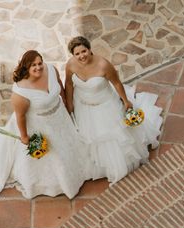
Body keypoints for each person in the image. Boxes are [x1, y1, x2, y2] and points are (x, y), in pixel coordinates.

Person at [0, 50, 89, 218]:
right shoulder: (21, 92)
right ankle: (61, 183)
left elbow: (59, 85)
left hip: (59, 118)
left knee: (68, 143)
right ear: (26, 67)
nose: (38, 67)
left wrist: (66, 103)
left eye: (39, 63)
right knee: (55, 154)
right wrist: (24, 137)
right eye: (33, 65)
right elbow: (20, 117)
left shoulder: (50, 70)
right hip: (40, 126)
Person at [65, 36, 162, 184]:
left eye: (83, 51)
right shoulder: (71, 65)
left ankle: (117, 164)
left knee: (110, 136)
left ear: (89, 49)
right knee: (90, 136)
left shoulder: (103, 65)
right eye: (77, 54)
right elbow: (69, 84)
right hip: (83, 106)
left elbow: (116, 83)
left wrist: (125, 101)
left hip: (105, 105)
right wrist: (70, 104)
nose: (81, 56)